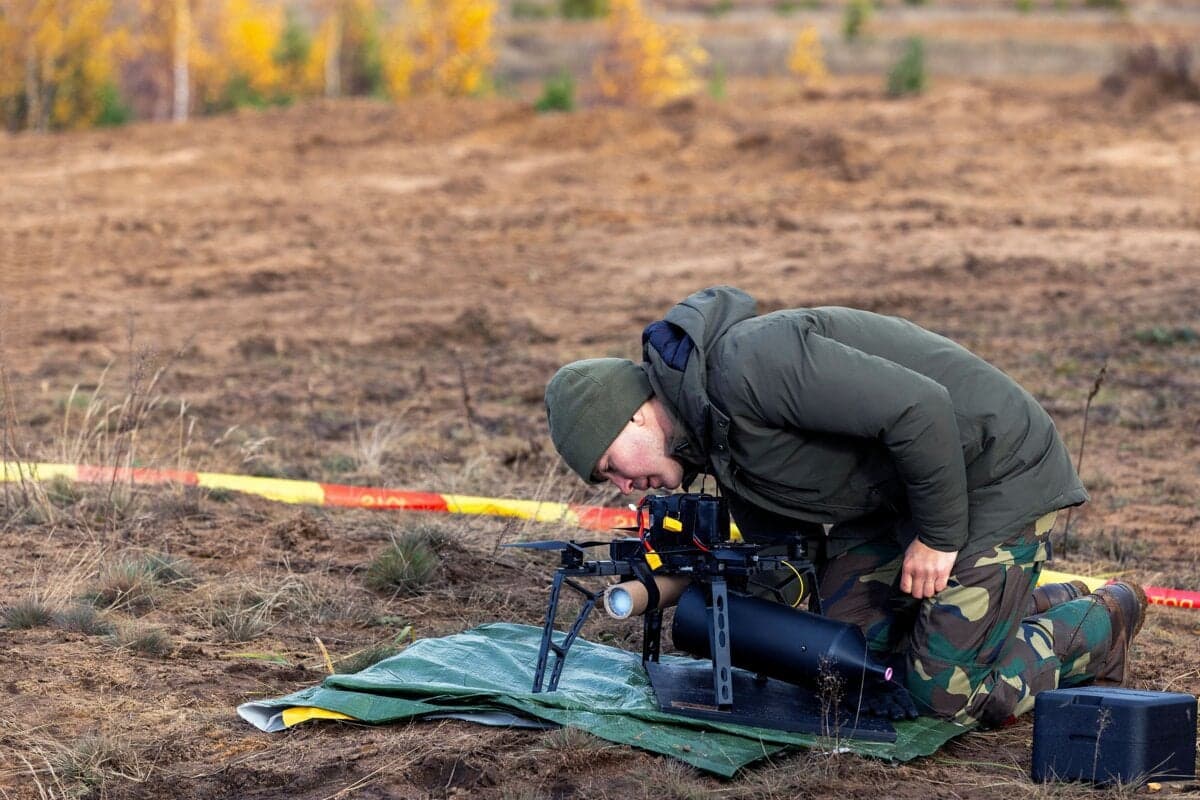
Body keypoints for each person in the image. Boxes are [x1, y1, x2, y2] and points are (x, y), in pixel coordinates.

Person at [544, 285, 1146, 726]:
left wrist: (937, 539)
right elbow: (786, 557)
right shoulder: (715, 443)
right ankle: (1010, 603)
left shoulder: (751, 365)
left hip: (995, 471)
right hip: (905, 495)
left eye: (609, 467)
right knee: (843, 665)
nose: (624, 486)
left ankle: (1101, 623)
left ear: (629, 416)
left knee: (941, 696)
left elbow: (921, 410)